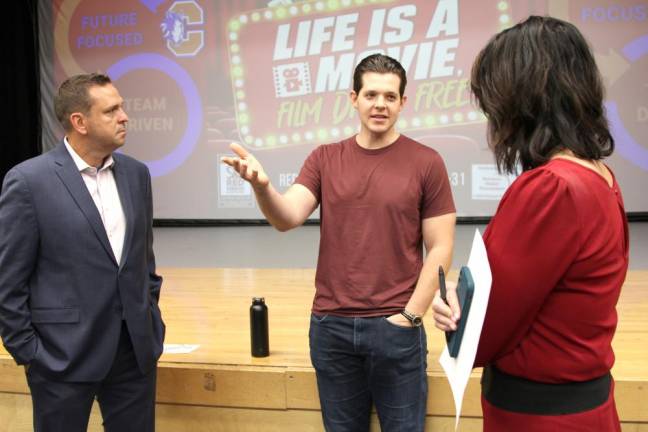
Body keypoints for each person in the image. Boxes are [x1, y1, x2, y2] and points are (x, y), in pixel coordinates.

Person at [222, 53, 456, 431]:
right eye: (371, 95)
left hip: (396, 325)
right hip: (331, 328)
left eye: (390, 97)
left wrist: (410, 316)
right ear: (353, 98)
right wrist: (262, 188)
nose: (380, 104)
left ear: (403, 102)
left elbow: (441, 247)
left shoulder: (427, 162)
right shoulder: (324, 158)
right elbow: (287, 217)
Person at [432, 16, 628, 431]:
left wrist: (458, 310)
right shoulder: (599, 176)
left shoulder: (549, 188)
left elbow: (483, 334)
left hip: (539, 418)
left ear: (522, 99)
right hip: (585, 406)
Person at [0, 73, 165, 432]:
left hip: (133, 354)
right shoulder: (29, 181)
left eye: (122, 107)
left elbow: (143, 263)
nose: (125, 117)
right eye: (111, 110)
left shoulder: (137, 175)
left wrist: (150, 320)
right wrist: (29, 353)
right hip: (61, 357)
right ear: (80, 122)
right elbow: (8, 280)